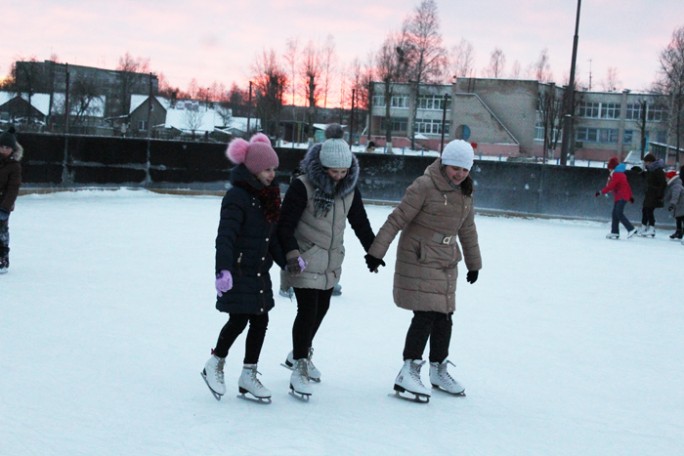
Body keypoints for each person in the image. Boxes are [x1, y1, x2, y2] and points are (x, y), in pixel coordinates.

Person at [365, 139, 482, 401]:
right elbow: (397, 218)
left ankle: (438, 369)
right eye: (455, 168)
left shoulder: (465, 192)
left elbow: (467, 229)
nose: (459, 174)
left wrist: (474, 264)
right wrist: (376, 252)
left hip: (446, 260)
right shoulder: (424, 186)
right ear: (444, 163)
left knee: (445, 316)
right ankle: (409, 369)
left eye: (464, 170)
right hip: (419, 257)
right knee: (427, 314)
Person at [278, 124, 376, 398]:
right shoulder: (303, 187)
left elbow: (360, 222)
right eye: (334, 171)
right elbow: (284, 225)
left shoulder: (348, 190)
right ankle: (299, 365)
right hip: (304, 259)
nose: (339, 176)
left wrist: (373, 252)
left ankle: (300, 353)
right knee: (307, 310)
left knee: (321, 310)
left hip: (331, 262)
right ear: (322, 167)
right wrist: (292, 255)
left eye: (344, 172)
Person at [201, 133, 286, 402]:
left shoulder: (268, 197)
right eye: (267, 169)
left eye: (274, 169)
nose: (272, 174)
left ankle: (248, 375)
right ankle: (214, 364)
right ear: (253, 169)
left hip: (260, 271)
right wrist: (222, 271)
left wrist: (288, 263)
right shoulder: (237, 197)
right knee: (239, 319)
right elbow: (225, 237)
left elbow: (271, 238)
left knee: (261, 319)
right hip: (238, 271)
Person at [596, 157, 636, 240]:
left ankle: (631, 229)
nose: (608, 170)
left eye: (609, 168)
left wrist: (601, 192)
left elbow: (611, 186)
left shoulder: (617, 174)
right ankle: (614, 232)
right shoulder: (620, 174)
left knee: (618, 213)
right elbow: (627, 186)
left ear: (612, 168)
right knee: (615, 213)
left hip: (621, 196)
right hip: (621, 196)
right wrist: (630, 197)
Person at [0, 126, 22, 274]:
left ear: (12, 149)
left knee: (1, 231)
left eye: (7, 147)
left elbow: (13, 188)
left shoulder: (14, 166)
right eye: (1, 146)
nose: (3, 150)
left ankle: (3, 257)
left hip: (4, 203)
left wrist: (5, 207)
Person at [637, 153, 667, 237]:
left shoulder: (658, 170)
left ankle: (652, 228)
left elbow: (663, 183)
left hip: (654, 194)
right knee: (645, 209)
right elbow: (649, 179)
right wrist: (642, 174)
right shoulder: (651, 170)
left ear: (650, 162)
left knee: (649, 210)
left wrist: (659, 194)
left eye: (646, 162)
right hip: (650, 193)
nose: (645, 164)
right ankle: (644, 227)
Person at [664, 167, 684, 240]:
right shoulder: (674, 185)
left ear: (671, 178)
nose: (666, 179)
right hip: (679, 205)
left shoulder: (676, 185)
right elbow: (669, 195)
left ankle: (679, 232)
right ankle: (679, 232)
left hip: (681, 205)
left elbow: (675, 196)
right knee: (678, 218)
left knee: (681, 218)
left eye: (667, 178)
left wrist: (672, 204)